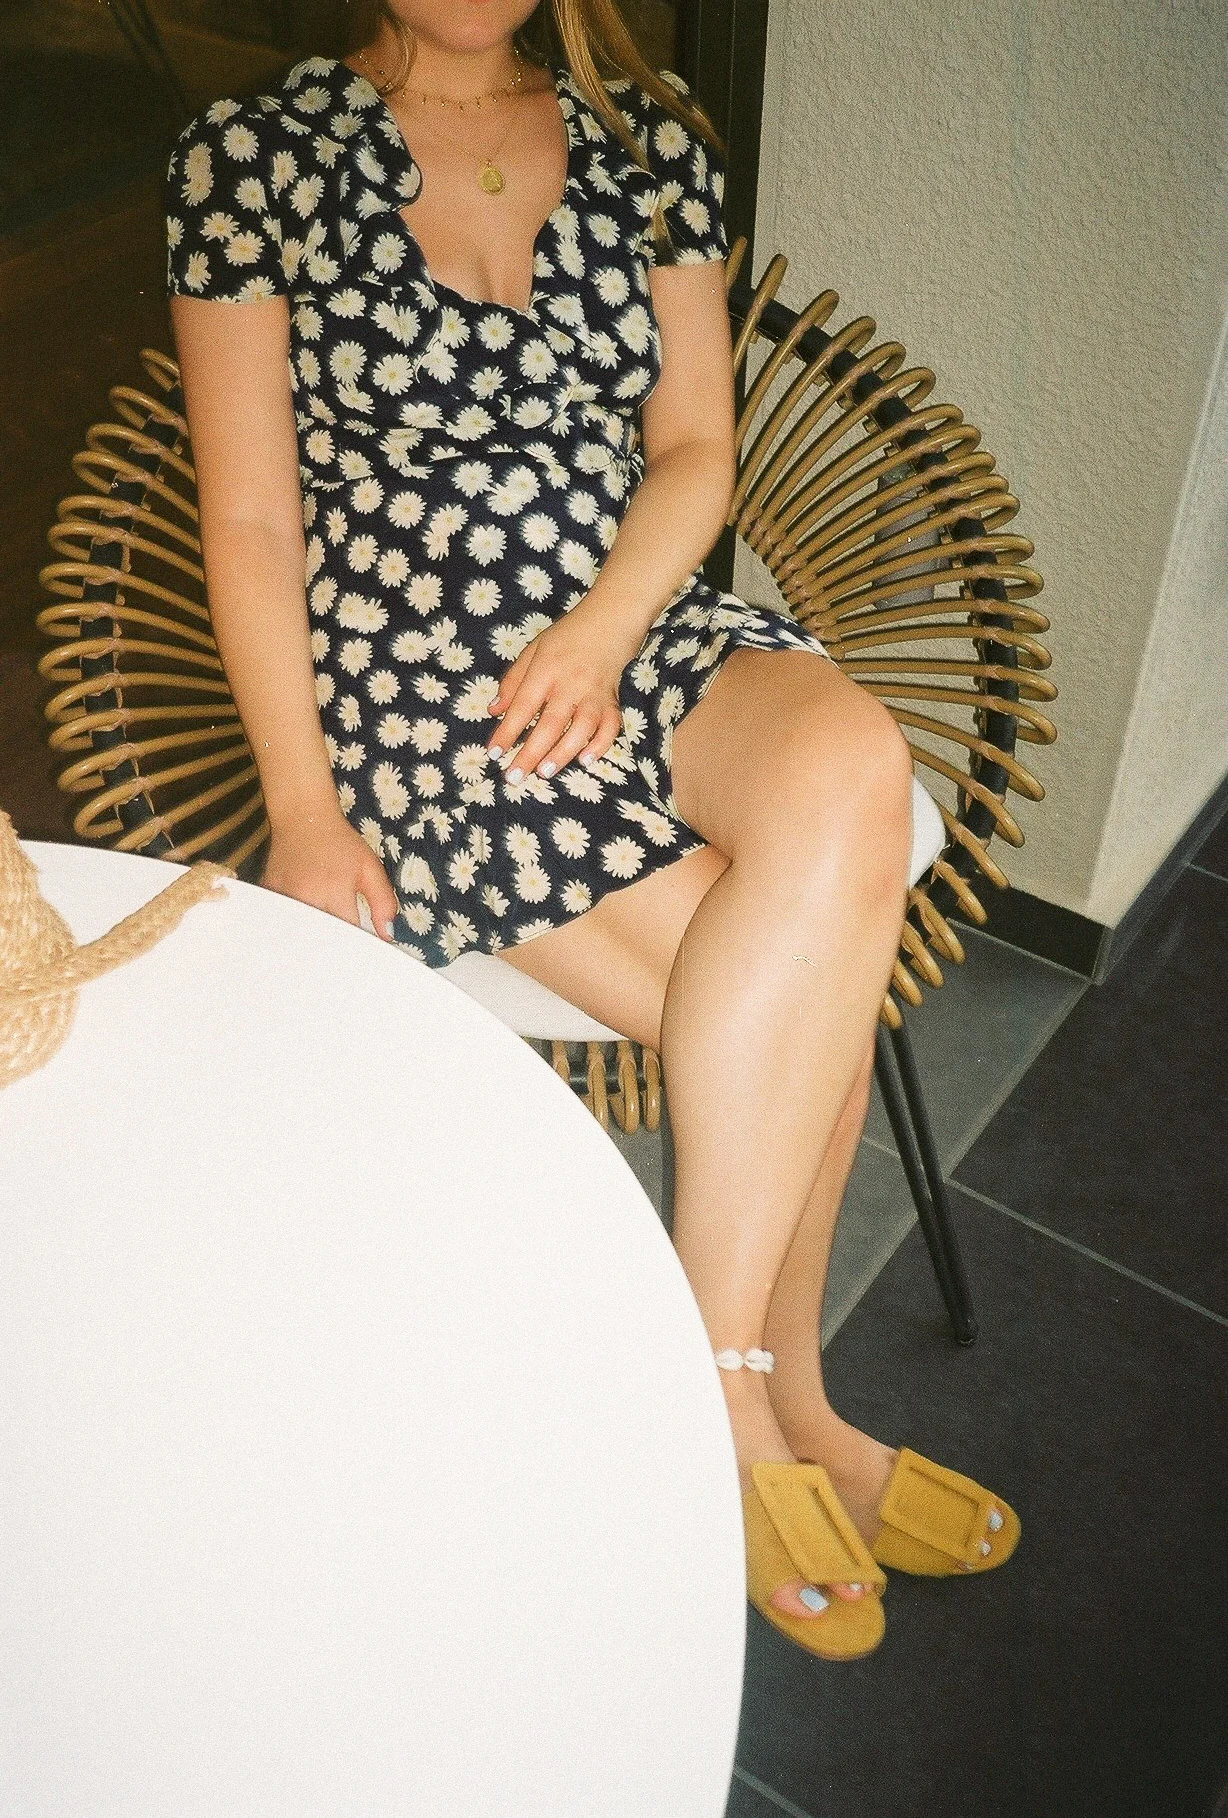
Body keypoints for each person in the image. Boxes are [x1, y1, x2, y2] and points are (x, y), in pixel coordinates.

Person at [166, 0, 1019, 1661]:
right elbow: (253, 516)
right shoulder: (249, 155)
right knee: (811, 989)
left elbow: (693, 448)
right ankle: (784, 1406)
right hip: (423, 685)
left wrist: (608, 629)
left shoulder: (652, 139)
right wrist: (300, 804)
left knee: (849, 759)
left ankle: (712, 1381)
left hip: (629, 622)